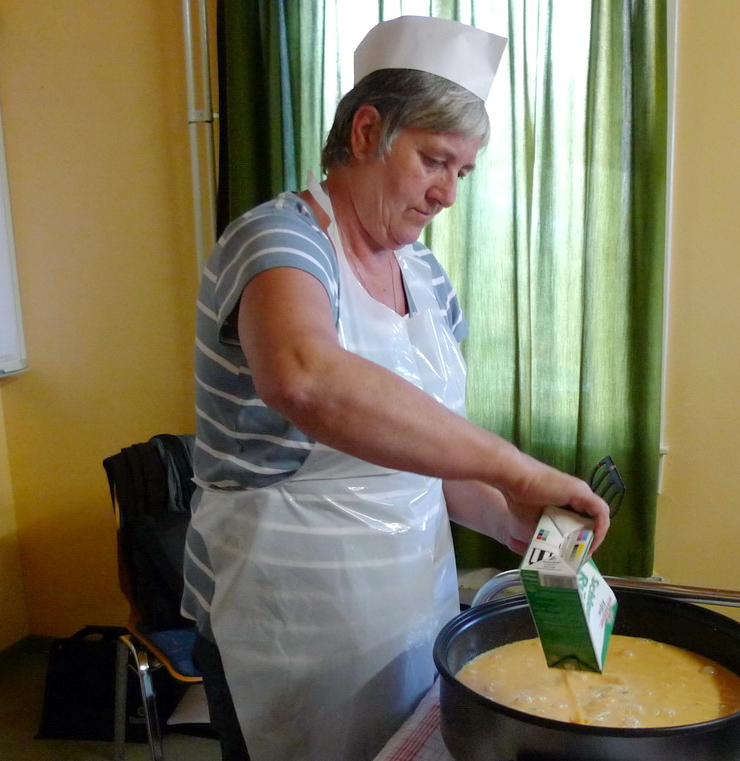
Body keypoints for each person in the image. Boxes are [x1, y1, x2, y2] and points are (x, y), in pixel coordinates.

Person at [181, 15, 612, 761]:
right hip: (289, 617)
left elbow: (430, 449)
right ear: (366, 132)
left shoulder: (426, 275)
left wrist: (508, 518)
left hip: (414, 602)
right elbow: (307, 378)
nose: (446, 194)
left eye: (462, 173)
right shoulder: (278, 241)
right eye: (434, 161)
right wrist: (516, 469)